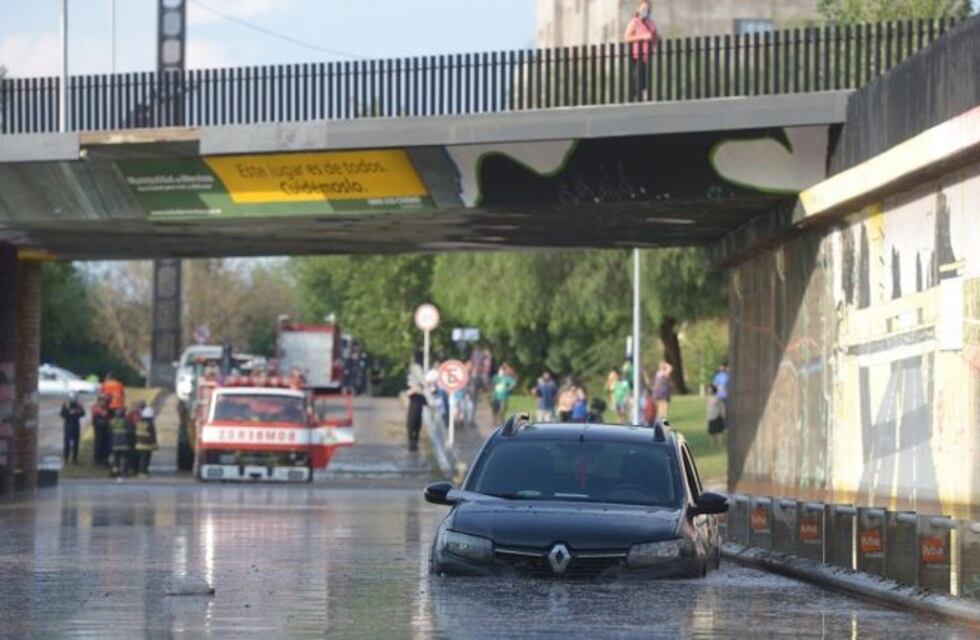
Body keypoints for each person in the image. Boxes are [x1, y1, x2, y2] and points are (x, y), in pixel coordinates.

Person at [624, 1, 659, 100]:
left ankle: (645, 96)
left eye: (648, 9)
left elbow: (655, 37)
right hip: (637, 55)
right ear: (638, 9)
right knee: (639, 79)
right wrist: (642, 37)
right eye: (643, 8)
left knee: (647, 79)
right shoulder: (634, 22)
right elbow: (627, 37)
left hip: (648, 56)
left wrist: (655, 41)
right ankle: (637, 97)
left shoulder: (650, 23)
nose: (646, 11)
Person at [60, 392, 85, 464]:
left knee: (76, 443)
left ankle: (75, 458)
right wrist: (69, 413)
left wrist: (76, 412)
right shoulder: (66, 405)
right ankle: (66, 457)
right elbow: (62, 414)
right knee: (67, 442)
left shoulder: (78, 405)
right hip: (68, 425)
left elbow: (83, 413)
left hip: (76, 425)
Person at [133, 404, 158, 475]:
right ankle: (143, 472)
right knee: (145, 459)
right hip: (146, 446)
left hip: (138, 445)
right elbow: (153, 436)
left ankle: (141, 471)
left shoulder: (139, 423)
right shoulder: (150, 425)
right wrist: (155, 445)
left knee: (140, 458)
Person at [109, 408, 133, 477]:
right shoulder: (126, 421)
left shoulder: (112, 422)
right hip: (124, 444)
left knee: (115, 459)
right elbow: (130, 432)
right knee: (125, 458)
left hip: (114, 444)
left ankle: (115, 472)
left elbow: (108, 432)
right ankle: (124, 472)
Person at [405, 381, 427, 452]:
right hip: (411, 415)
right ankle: (411, 444)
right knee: (410, 430)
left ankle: (415, 445)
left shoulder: (422, 397)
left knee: (417, 431)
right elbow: (407, 394)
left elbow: (427, 405)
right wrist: (414, 389)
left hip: (419, 416)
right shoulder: (413, 395)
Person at [91, 395, 112, 466]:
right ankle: (97, 461)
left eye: (105, 401)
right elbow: (101, 413)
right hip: (99, 430)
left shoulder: (107, 408)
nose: (105, 403)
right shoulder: (96, 408)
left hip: (105, 430)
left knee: (106, 445)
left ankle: (105, 460)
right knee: (98, 445)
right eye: (103, 401)